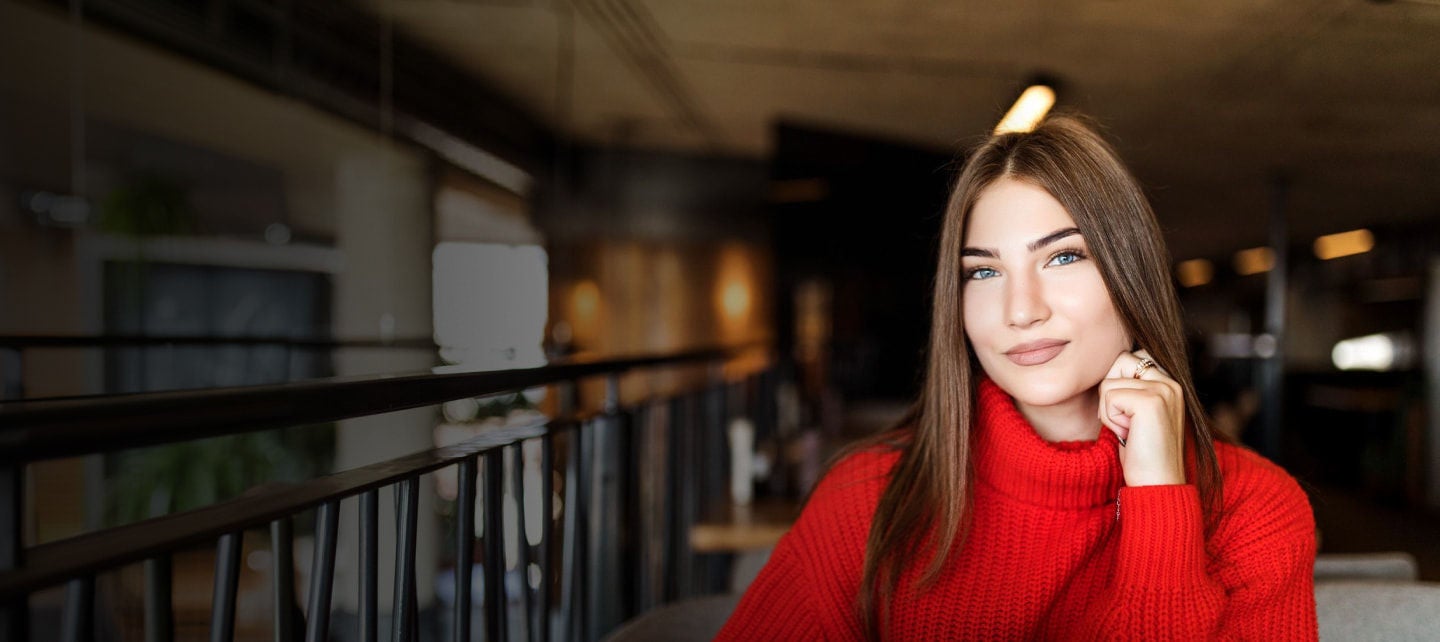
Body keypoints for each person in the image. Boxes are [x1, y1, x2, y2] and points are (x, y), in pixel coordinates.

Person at [716, 115, 1317, 640]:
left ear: (1130, 273)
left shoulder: (1255, 510)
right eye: (983, 272)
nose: (1021, 310)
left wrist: (1160, 500)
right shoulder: (870, 497)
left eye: (1063, 256)